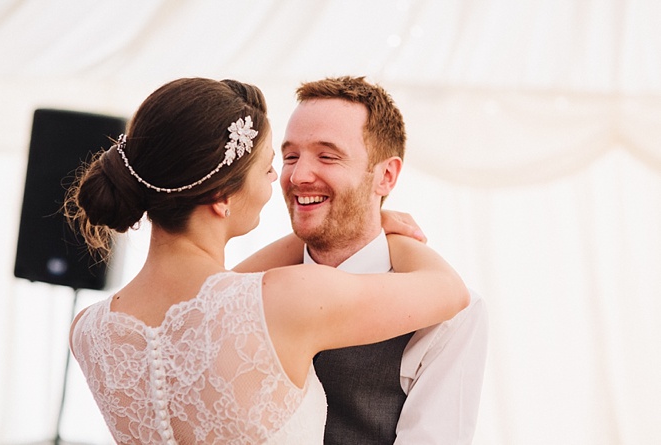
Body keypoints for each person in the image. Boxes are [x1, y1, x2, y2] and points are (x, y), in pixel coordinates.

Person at [65, 77, 470, 444]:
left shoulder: (90, 332)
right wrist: (381, 224)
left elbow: (207, 304)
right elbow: (450, 290)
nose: (282, 179)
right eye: (269, 168)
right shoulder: (284, 299)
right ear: (222, 197)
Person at [237, 76, 489, 444]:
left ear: (386, 176)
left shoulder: (450, 319)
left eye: (327, 156)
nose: (299, 176)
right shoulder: (246, 293)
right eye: (290, 157)